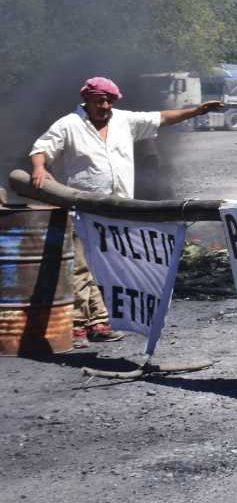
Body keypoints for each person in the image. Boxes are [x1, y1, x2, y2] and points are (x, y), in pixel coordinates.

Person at [29, 77, 222, 348]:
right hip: (84, 210)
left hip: (119, 211)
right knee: (81, 268)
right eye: (100, 100)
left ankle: (101, 321)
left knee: (111, 267)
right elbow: (41, 149)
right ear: (87, 100)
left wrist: (198, 110)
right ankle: (79, 325)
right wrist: (39, 168)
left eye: (109, 100)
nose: (105, 105)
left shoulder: (123, 121)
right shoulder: (68, 125)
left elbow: (162, 118)